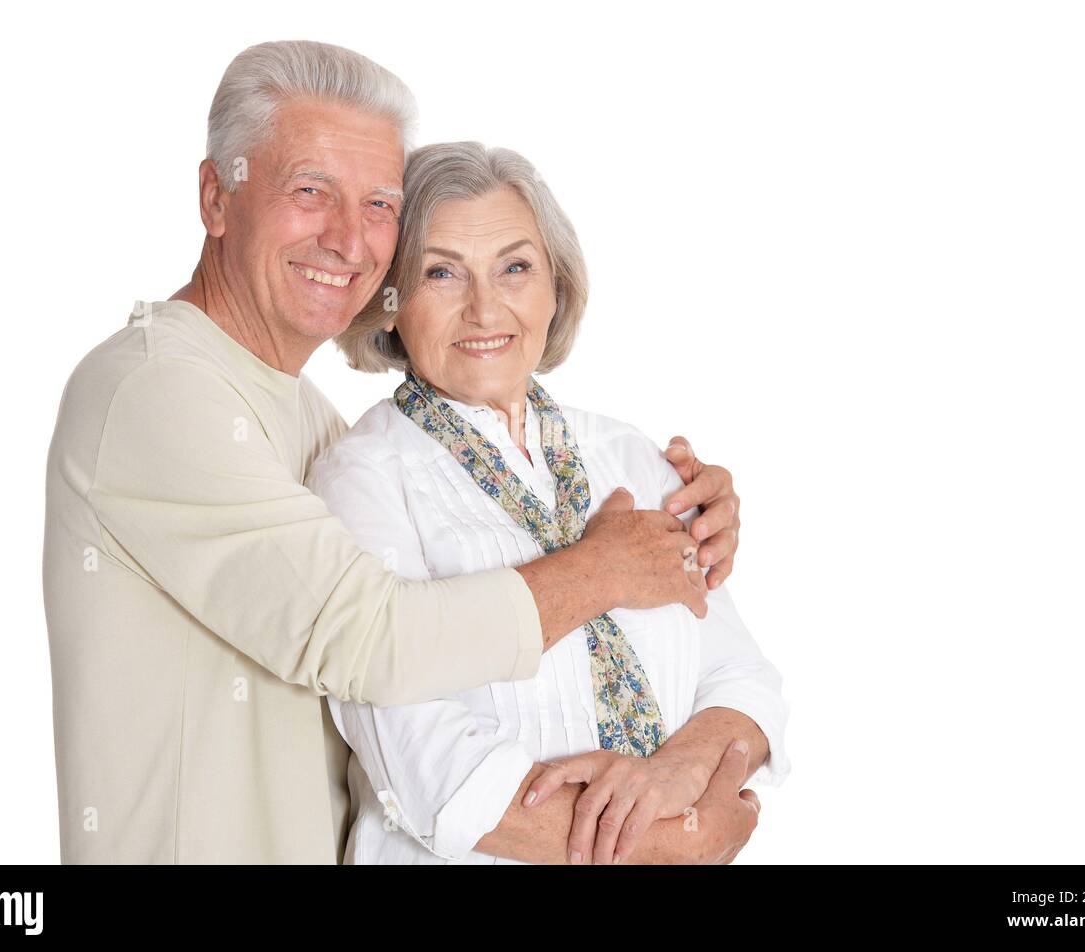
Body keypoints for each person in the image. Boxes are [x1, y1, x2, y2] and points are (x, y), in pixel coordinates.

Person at [43, 39, 749, 863]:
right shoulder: (155, 389)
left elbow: (738, 674)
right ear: (216, 196)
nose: (348, 238)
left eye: (378, 203)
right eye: (309, 190)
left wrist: (698, 527)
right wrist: (608, 570)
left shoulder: (310, 420)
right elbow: (370, 643)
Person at [310, 142, 790, 865]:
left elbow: (743, 678)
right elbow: (425, 765)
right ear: (390, 298)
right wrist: (669, 846)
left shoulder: (629, 455)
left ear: (556, 288)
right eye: (440, 272)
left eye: (515, 267)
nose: (485, 307)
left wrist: (679, 772)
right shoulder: (363, 478)